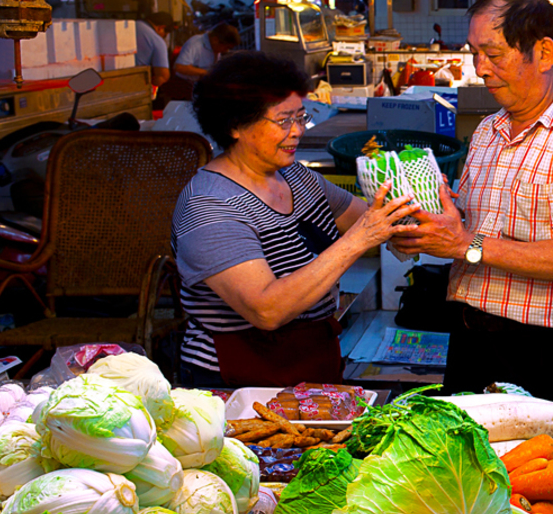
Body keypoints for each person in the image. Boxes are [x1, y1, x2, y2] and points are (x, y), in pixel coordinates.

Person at [391, 0, 553, 451]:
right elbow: (471, 223)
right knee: (467, 487)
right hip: (470, 343)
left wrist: (465, 244)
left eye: (493, 53)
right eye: (475, 53)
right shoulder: (489, 130)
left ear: (543, 52)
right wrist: (425, 230)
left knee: (547, 495)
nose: (480, 68)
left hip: (547, 357)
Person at [172, 51, 417, 387]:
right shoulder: (210, 206)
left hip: (314, 359)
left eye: (301, 117)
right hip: (238, 377)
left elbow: (374, 221)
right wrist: (359, 239)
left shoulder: (296, 178)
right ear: (235, 126)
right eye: (283, 121)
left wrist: (420, 202)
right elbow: (266, 310)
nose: (297, 131)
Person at [174, 22, 240, 83]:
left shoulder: (215, 46)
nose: (226, 50)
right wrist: (207, 73)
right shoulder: (195, 44)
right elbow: (180, 67)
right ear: (215, 40)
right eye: (226, 47)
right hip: (185, 84)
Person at [134, 12, 174, 87]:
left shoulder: (132, 24)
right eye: (165, 35)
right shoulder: (157, 40)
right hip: (136, 83)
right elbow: (163, 76)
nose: (163, 37)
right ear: (161, 28)